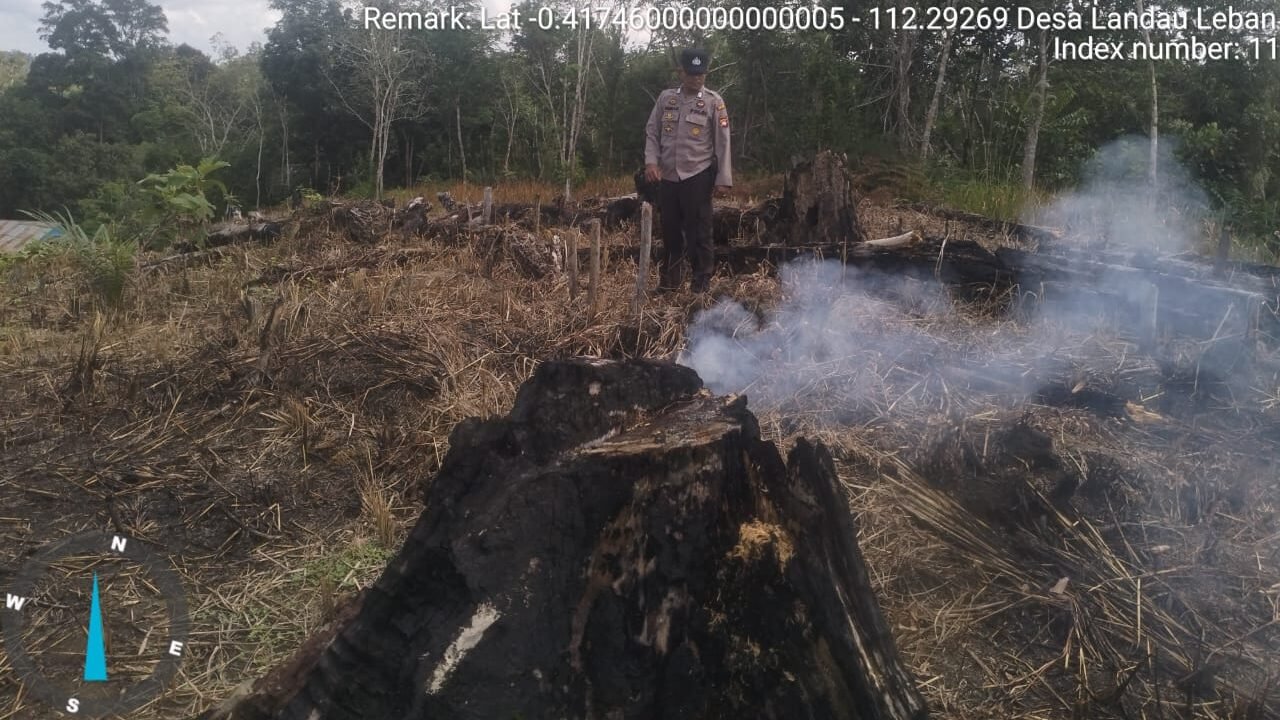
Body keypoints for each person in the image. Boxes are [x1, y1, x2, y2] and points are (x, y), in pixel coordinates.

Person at [644, 48, 733, 294]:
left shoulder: (714, 102)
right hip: (668, 176)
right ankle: (670, 283)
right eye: (692, 74)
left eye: (701, 74)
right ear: (681, 72)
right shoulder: (666, 99)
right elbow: (652, 132)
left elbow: (723, 142)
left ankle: (700, 285)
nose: (697, 78)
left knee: (699, 233)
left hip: (697, 174)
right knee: (670, 231)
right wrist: (651, 162)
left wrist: (723, 178)